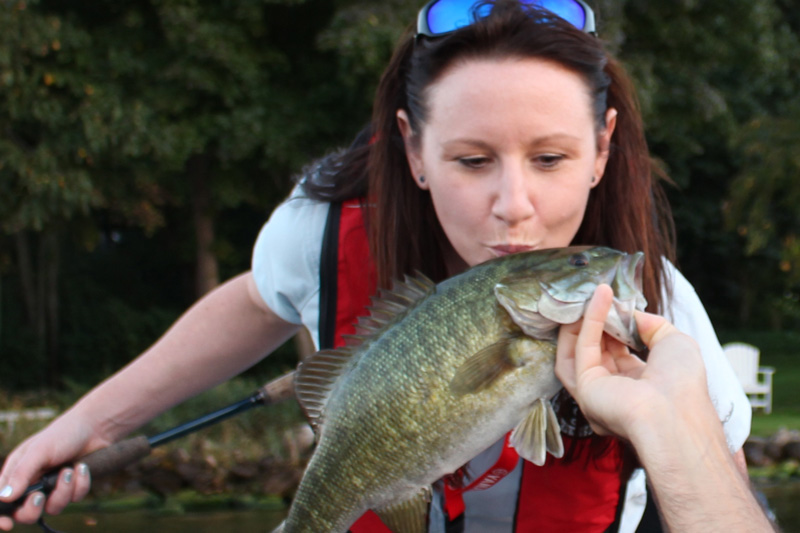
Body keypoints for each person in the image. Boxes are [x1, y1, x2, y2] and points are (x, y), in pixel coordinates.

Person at [0, 0, 765, 531]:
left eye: (551, 157)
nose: (514, 204)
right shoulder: (322, 230)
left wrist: (671, 424)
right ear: (412, 148)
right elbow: (258, 299)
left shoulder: (655, 301)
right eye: (471, 159)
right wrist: (88, 425)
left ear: (602, 148)